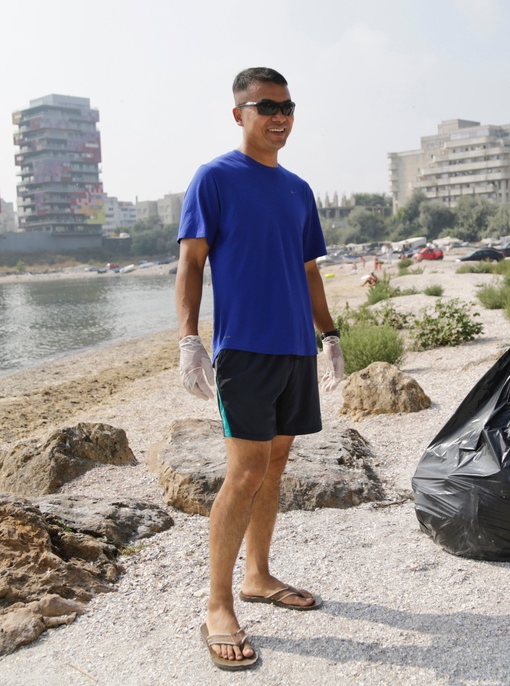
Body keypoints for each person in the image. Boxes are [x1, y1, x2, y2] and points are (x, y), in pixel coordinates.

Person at [174, 66, 344, 671]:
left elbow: (308, 271)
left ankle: (258, 575)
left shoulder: (297, 188)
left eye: (288, 106)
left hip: (296, 347)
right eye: (266, 105)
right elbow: (191, 263)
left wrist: (330, 336)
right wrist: (189, 340)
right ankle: (218, 604)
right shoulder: (214, 178)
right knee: (244, 473)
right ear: (239, 113)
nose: (280, 116)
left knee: (274, 468)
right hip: (244, 350)